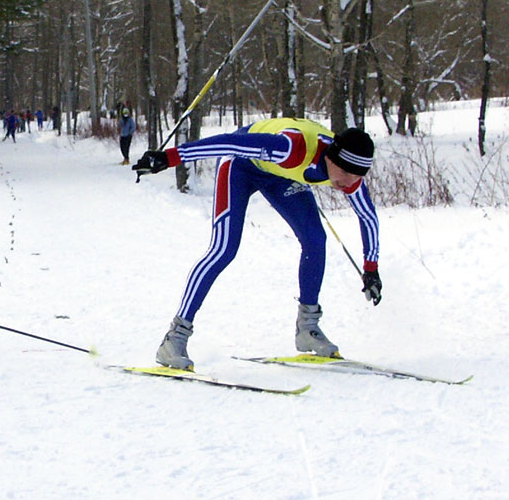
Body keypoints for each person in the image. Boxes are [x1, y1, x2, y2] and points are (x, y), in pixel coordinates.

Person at [132, 118, 382, 370]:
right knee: (223, 249)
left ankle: (307, 328)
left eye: (357, 176)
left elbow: (368, 216)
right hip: (239, 167)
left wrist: (371, 269)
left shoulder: (350, 174)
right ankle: (174, 339)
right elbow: (228, 143)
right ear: (331, 158)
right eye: (346, 173)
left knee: (315, 239)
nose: (350, 182)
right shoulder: (289, 148)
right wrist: (169, 157)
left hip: (279, 176)